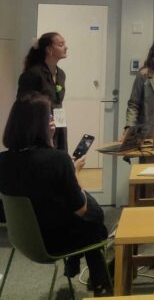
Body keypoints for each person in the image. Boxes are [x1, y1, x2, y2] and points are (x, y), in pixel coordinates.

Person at [0, 94, 111, 296]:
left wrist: (48, 142)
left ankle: (78, 267)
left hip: (21, 238)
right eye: (49, 117)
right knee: (93, 216)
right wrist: (74, 172)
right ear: (40, 124)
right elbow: (81, 209)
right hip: (56, 241)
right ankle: (101, 286)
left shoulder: (2, 161)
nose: (53, 121)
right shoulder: (58, 160)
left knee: (87, 217)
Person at [17, 32, 69, 150]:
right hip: (39, 128)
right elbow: (23, 106)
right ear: (49, 50)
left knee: (60, 160)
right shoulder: (33, 74)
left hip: (59, 124)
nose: (66, 47)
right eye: (61, 44)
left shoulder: (61, 74)